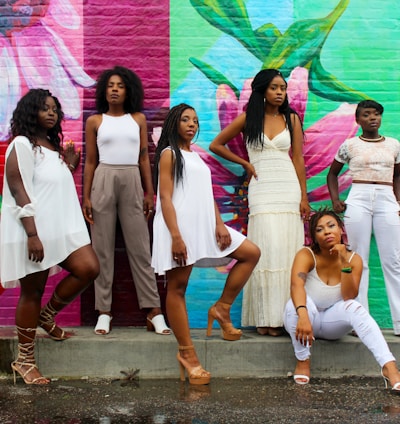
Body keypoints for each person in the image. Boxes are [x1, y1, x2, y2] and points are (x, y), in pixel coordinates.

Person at [152, 103, 260, 385]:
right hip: (179, 226)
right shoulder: (169, 154)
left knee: (250, 253)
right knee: (177, 287)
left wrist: (219, 223)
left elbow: (206, 194)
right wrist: (175, 235)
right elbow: (165, 198)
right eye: (185, 119)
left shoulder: (195, 156)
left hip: (205, 225)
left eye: (195, 121)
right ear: (174, 123)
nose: (192, 124)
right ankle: (187, 354)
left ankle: (221, 308)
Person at [1, 88, 99, 385]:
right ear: (31, 112)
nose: (52, 112)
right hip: (35, 230)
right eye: (45, 108)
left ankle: (47, 316)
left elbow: (48, 184)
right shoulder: (21, 144)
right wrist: (32, 234)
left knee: (88, 268)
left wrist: (67, 165)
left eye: (54, 108)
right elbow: (19, 188)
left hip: (60, 229)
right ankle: (24, 360)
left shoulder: (50, 147)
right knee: (32, 291)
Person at [210, 68, 310, 336]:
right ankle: (264, 318)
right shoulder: (248, 118)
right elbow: (216, 145)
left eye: (283, 88)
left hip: (287, 188)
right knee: (266, 248)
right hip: (262, 188)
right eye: (275, 88)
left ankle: (282, 318)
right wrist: (244, 162)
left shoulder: (291, 118)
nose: (280, 93)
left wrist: (304, 196)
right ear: (262, 90)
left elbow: (298, 159)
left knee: (287, 251)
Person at [83, 66, 170, 336]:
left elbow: (145, 156)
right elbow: (90, 161)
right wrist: (86, 196)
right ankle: (104, 311)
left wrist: (149, 191)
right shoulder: (95, 121)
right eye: (110, 85)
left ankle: (153, 310)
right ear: (103, 90)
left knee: (141, 248)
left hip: (132, 177)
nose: (114, 89)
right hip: (104, 178)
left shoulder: (138, 119)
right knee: (102, 249)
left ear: (128, 90)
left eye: (120, 85)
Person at [283, 209, 400, 391]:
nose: (327, 232)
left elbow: (348, 296)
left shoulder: (354, 260)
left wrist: (343, 262)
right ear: (314, 236)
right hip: (307, 318)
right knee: (294, 307)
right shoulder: (306, 254)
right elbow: (296, 286)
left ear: (341, 230)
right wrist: (304, 315)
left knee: (355, 307)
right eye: (320, 229)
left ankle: (389, 367)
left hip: (332, 323)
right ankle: (303, 360)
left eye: (331, 226)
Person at [327, 100, 400, 335]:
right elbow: (332, 174)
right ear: (357, 120)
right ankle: (359, 321)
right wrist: (335, 199)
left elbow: (398, 176)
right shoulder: (349, 145)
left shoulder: (394, 145)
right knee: (358, 260)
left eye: (376, 114)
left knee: (393, 261)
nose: (373, 118)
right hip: (358, 196)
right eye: (367, 114)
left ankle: (399, 322)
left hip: (386, 197)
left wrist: (398, 200)